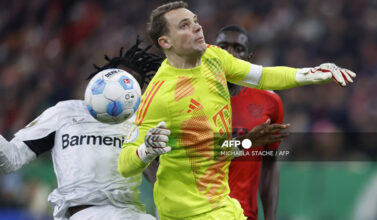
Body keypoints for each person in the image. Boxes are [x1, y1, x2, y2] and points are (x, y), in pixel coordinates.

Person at [117, 1, 356, 219]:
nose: (197, 28)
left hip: (223, 205)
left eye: (196, 21)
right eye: (184, 25)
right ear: (166, 42)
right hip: (188, 213)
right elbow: (125, 163)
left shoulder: (214, 57)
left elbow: (263, 76)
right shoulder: (160, 94)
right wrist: (146, 150)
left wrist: (312, 74)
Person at [0, 39, 161, 220]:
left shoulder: (142, 123)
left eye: (132, 84)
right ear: (100, 78)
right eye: (119, 78)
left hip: (131, 214)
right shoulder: (65, 112)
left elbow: (161, 180)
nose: (121, 88)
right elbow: (11, 159)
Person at [215, 25, 282, 220]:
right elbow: (202, 154)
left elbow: (270, 164)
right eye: (223, 46)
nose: (229, 53)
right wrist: (247, 141)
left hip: (244, 215)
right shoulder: (193, 98)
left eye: (238, 48)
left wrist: (270, 217)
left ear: (248, 58)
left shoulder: (270, 102)